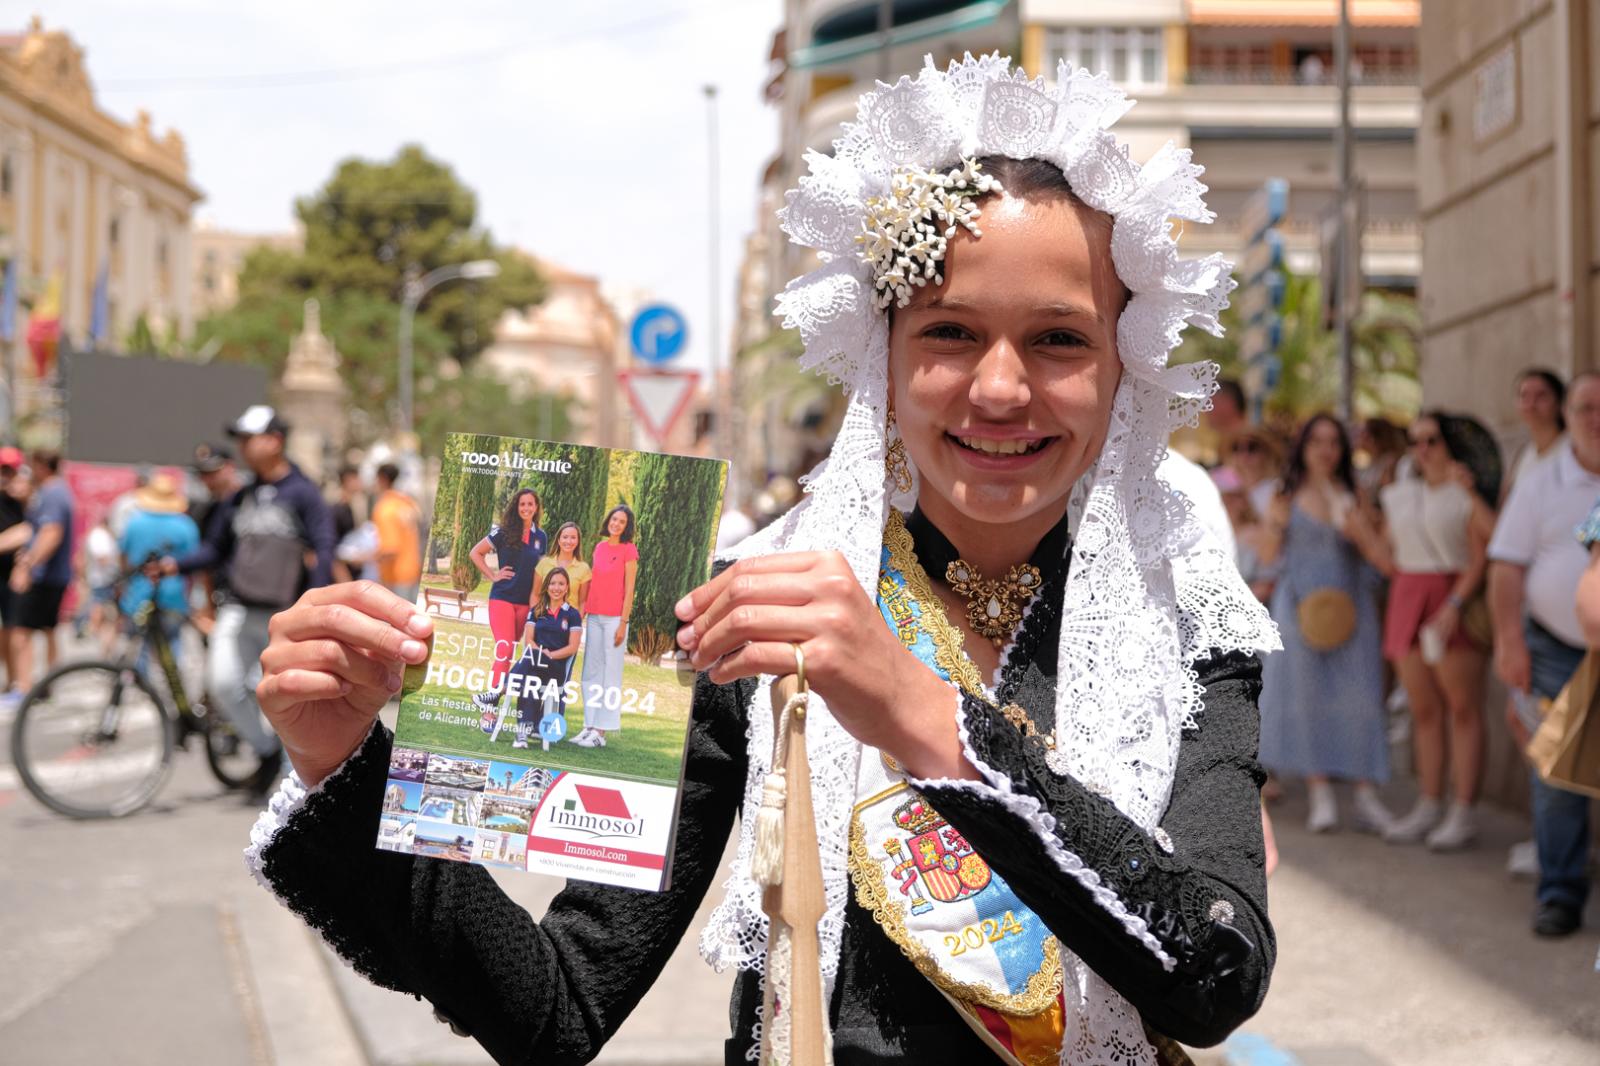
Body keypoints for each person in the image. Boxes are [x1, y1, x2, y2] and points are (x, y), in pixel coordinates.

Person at [247, 60, 1282, 1062]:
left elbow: (1215, 976)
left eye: (1058, 339)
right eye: (950, 332)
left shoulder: (1187, 614)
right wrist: (344, 762)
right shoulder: (749, 608)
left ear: (1122, 365)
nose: (1000, 388)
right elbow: (555, 1004)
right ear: (877, 352)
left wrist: (924, 718)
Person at [167, 405, 336, 797]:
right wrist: (174, 565)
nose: (242, 446)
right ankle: (263, 751)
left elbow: (324, 548)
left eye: (249, 438)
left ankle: (289, 774)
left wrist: (318, 603)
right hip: (239, 609)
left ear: (275, 440)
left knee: (288, 695)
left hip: (284, 614)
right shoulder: (241, 496)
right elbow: (214, 549)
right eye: (240, 439)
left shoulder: (303, 493)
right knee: (223, 683)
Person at [1487, 371, 1600, 937]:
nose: (1594, 418)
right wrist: (1509, 642)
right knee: (1555, 778)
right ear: (1569, 414)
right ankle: (1559, 892)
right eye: (1585, 407)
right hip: (1553, 651)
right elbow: (1506, 566)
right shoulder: (1540, 482)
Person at [1258, 414, 1395, 834]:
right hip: (1299, 605)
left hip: (1351, 605)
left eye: (1333, 441)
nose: (1325, 449)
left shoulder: (1355, 494)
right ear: (1304, 447)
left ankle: (1365, 795)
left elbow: (1381, 559)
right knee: (1307, 697)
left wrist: (1358, 529)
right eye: (1316, 441)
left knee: (1360, 696)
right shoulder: (1286, 495)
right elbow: (1266, 555)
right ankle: (1320, 793)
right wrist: (1277, 521)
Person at [1366, 413, 1498, 849]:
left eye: (1432, 440)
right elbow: (1386, 553)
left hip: (1450, 594)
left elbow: (1492, 544)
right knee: (1424, 710)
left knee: (1462, 708)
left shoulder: (1463, 493)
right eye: (1415, 440)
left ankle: (1463, 811)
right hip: (1408, 592)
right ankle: (1429, 803)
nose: (1422, 449)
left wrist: (1456, 602)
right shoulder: (1400, 493)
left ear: (1450, 445)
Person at [469, 489, 546, 713]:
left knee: (513, 652)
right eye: (522, 504)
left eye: (530, 504)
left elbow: (540, 571)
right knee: (504, 650)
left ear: (536, 507)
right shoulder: (503, 532)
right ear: (516, 506)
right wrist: (493, 575)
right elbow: (475, 553)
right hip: (502, 598)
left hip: (525, 604)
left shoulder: (541, 536)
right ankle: (489, 711)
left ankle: (497, 700)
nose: (526, 508)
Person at [9, 450, 75, 695]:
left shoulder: (52, 493)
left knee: (20, 631)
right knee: (48, 630)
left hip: (45, 576)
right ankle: (48, 683)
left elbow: (51, 533)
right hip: (53, 575)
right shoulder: (56, 491)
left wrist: (27, 566)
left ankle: (23, 687)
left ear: (41, 466)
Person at [119, 472, 200, 663]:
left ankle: (142, 689)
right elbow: (195, 563)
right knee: (172, 648)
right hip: (174, 595)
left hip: (138, 594)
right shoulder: (186, 526)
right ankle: (171, 689)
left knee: (140, 648)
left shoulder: (135, 522)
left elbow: (123, 558)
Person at [574, 504, 637, 748]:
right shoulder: (600, 548)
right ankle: (588, 726)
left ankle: (601, 732)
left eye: (621, 521)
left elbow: (630, 589)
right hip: (595, 616)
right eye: (614, 519)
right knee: (590, 672)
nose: (616, 524)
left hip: (614, 620)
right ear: (608, 521)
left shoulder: (629, 550)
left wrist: (623, 622)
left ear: (626, 526)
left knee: (610, 675)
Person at [509, 567, 582, 750]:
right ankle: (522, 734)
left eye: (561, 584)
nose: (556, 588)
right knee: (529, 675)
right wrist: (540, 654)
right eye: (552, 583)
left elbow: (572, 647)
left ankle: (498, 691)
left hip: (555, 669)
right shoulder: (536, 610)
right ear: (546, 586)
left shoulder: (572, 615)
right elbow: (529, 641)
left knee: (530, 661)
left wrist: (549, 655)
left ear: (567, 588)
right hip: (536, 662)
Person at [188, 443, 242, 637]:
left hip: (255, 596)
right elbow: (207, 559)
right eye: (203, 474)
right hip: (223, 596)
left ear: (229, 467)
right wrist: (208, 604)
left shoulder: (248, 501)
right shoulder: (206, 511)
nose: (208, 479)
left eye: (213, 472)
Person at [1505, 368, 1566, 500]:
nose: (1531, 404)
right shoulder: (1523, 453)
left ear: (1559, 402)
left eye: (1541, 396)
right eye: (1524, 396)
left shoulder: (1573, 450)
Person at [371, 462, 422, 602]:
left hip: (395, 577)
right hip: (413, 573)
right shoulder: (407, 503)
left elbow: (390, 550)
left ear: (382, 479)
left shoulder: (385, 508)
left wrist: (362, 557)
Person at [0, 449, 25, 691]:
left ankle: (14, 680)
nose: (5, 475)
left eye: (9, 469)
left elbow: (31, 529)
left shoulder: (22, 498)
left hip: (12, 574)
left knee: (13, 629)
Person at [80, 516, 121, 651]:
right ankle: (92, 630)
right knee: (102, 608)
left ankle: (96, 632)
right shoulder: (99, 535)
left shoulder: (99, 535)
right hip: (103, 579)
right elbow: (102, 557)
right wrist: (114, 571)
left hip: (102, 579)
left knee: (101, 607)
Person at [534, 521, 591, 615]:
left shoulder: (584, 569)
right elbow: (535, 594)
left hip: (569, 622)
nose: (568, 541)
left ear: (578, 541)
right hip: (545, 619)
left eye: (573, 538)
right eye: (565, 537)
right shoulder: (544, 563)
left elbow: (582, 602)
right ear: (558, 540)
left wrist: (576, 623)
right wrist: (536, 618)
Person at [329, 465, 365, 583]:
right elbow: (331, 546)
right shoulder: (338, 510)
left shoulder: (350, 507)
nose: (360, 483)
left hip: (352, 572)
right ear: (347, 480)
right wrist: (342, 577)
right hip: (342, 575)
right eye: (356, 479)